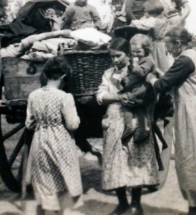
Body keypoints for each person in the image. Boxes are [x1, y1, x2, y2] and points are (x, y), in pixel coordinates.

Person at [146, 26, 196, 215]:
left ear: (178, 43)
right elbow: (172, 77)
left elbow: (163, 85)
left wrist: (150, 78)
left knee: (194, 158)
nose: (167, 50)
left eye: (168, 45)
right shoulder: (195, 56)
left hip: (194, 112)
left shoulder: (184, 60)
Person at [96, 38, 159, 215]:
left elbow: (151, 92)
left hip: (137, 119)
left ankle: (136, 203)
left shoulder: (139, 71)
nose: (115, 60)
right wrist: (117, 97)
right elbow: (100, 95)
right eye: (112, 57)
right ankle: (122, 202)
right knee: (116, 160)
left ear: (128, 54)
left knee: (136, 158)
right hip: (115, 118)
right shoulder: (108, 74)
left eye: (118, 56)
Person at [25, 57, 82, 215]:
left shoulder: (33, 95)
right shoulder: (65, 97)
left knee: (45, 180)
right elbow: (72, 124)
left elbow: (29, 124)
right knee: (64, 178)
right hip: (60, 142)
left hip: (39, 141)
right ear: (64, 77)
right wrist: (77, 119)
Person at [120, 34, 157, 142]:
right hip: (138, 88)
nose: (136, 54)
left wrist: (134, 65)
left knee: (126, 103)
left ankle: (129, 126)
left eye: (138, 52)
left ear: (147, 49)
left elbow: (142, 72)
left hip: (143, 89)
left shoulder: (148, 60)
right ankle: (143, 129)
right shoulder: (140, 58)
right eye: (133, 52)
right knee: (139, 108)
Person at [131, 0, 171, 72]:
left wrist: (133, 22)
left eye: (145, 12)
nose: (144, 14)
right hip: (162, 44)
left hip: (156, 45)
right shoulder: (164, 19)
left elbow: (143, 23)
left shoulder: (153, 20)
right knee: (163, 62)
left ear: (151, 11)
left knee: (156, 63)